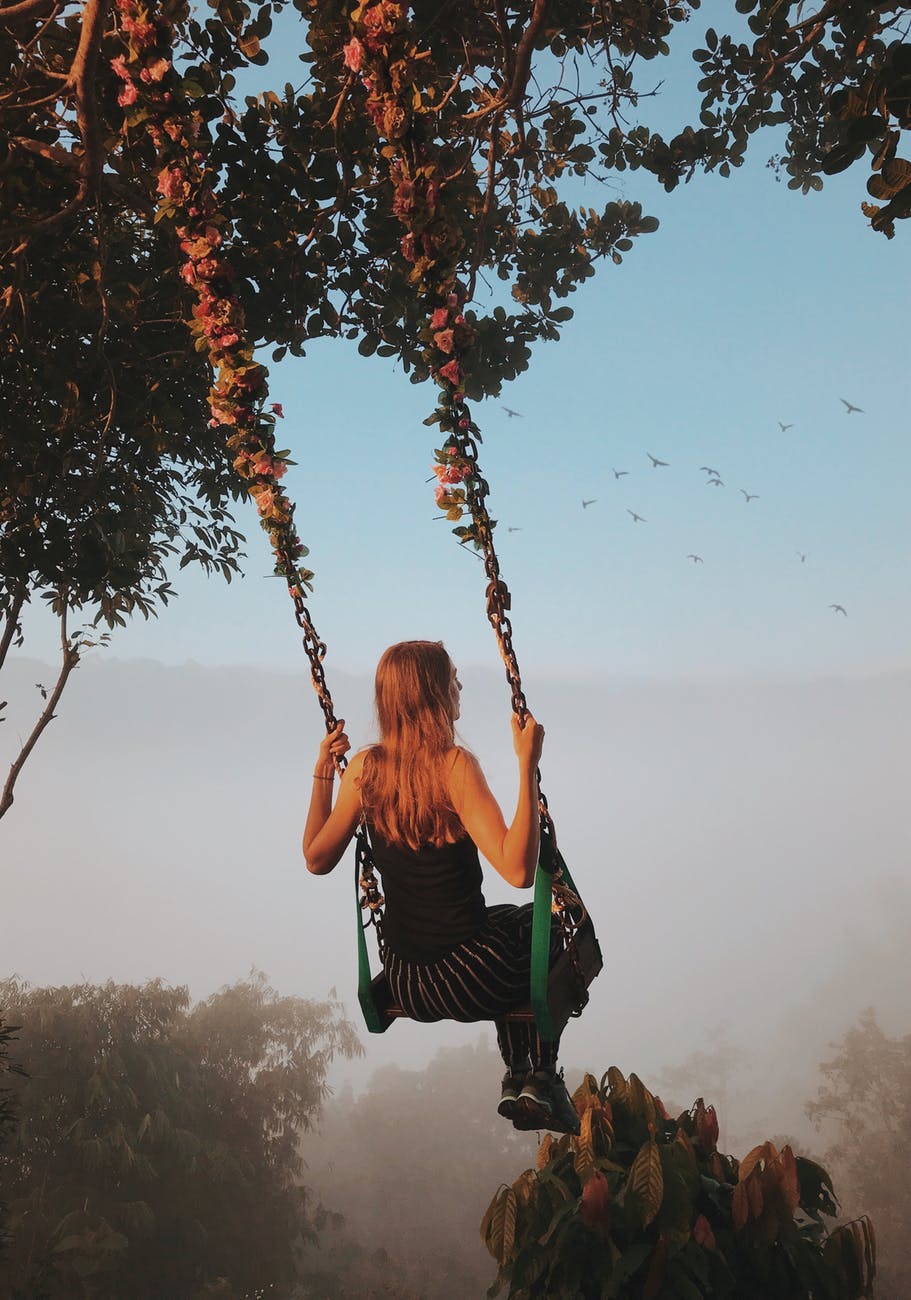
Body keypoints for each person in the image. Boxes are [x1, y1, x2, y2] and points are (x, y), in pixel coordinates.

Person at [303, 639, 580, 1134]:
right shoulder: (454, 768)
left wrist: (324, 771)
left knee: (513, 924)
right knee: (550, 934)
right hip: (466, 977)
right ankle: (538, 1075)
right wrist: (526, 765)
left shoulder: (364, 770)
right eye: (453, 679)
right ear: (432, 694)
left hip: (407, 980)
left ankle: (520, 1079)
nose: (460, 687)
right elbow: (518, 872)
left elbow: (314, 858)